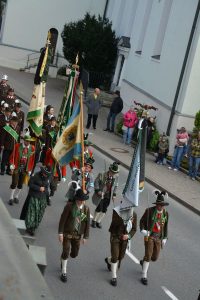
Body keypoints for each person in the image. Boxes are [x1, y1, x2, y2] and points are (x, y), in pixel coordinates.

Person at [58, 188, 90, 283]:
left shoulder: (86, 209)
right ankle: (64, 271)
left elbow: (87, 223)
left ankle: (64, 258)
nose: (81, 201)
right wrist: (60, 233)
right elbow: (62, 220)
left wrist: (85, 236)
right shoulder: (69, 206)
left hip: (77, 235)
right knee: (66, 250)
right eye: (80, 199)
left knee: (74, 253)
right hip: (67, 233)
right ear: (76, 199)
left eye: (83, 200)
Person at [140, 190, 169, 285]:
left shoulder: (165, 213)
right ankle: (144, 275)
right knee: (148, 255)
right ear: (156, 204)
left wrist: (165, 237)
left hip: (158, 238)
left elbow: (165, 226)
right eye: (159, 204)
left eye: (162, 205)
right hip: (150, 236)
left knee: (155, 257)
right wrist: (143, 230)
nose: (160, 206)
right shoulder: (149, 211)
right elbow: (142, 221)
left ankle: (144, 261)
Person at [105, 205, 137, 286]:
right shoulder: (117, 211)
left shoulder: (134, 215)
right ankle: (114, 277)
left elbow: (134, 229)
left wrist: (128, 236)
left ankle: (109, 260)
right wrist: (123, 217)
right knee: (115, 256)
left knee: (120, 257)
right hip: (115, 236)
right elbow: (114, 223)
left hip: (124, 239)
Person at [20, 166, 51, 236]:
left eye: (46, 174)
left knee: (38, 214)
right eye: (44, 173)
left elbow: (46, 189)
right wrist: (39, 188)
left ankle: (33, 227)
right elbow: (30, 184)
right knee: (31, 213)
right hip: (33, 196)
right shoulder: (36, 175)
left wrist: (47, 198)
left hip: (42, 198)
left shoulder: (48, 178)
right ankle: (29, 227)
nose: (45, 175)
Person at [8, 135, 35, 205]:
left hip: (25, 169)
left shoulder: (32, 148)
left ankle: (16, 196)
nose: (28, 142)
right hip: (16, 167)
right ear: (24, 140)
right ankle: (11, 197)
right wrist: (11, 165)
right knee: (14, 182)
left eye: (29, 141)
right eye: (27, 141)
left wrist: (30, 169)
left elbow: (32, 160)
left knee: (20, 184)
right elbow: (12, 157)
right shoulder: (17, 146)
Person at [92, 161, 119, 228]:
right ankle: (94, 221)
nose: (113, 173)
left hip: (108, 195)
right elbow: (96, 182)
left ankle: (99, 221)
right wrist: (98, 190)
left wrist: (114, 194)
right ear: (109, 170)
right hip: (101, 193)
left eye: (114, 172)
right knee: (99, 207)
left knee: (104, 209)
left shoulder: (116, 177)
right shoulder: (102, 174)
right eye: (112, 172)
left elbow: (116, 186)